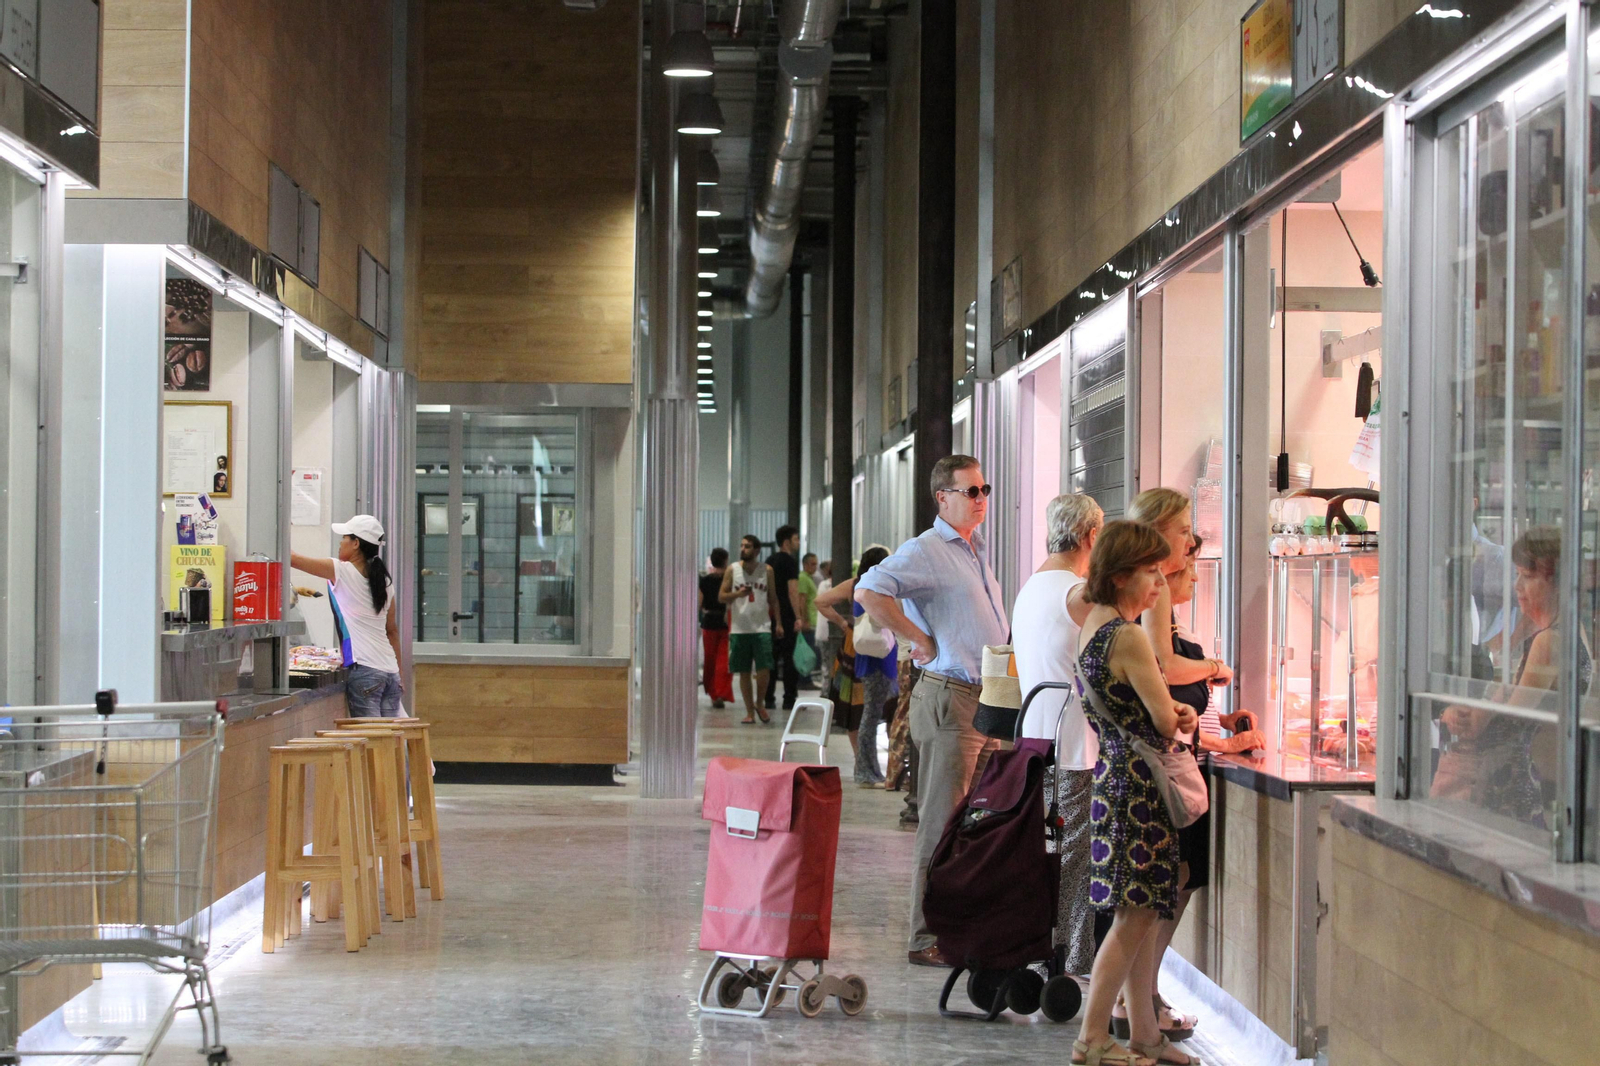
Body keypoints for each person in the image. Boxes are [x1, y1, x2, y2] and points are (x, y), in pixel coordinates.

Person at [855, 454, 1009, 967]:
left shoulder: (973, 550)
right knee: (942, 822)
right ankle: (924, 936)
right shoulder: (927, 549)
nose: (981, 498)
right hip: (951, 699)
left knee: (976, 823)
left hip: (987, 699)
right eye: (970, 491)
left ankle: (961, 922)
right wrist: (917, 637)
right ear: (942, 497)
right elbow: (869, 590)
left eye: (985, 488)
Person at [1072, 521, 1200, 1066]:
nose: (1158, 581)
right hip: (1142, 790)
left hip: (1116, 777)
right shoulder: (1128, 636)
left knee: (1142, 913)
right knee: (1132, 920)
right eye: (1151, 570)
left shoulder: (1094, 623)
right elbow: (1164, 719)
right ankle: (1094, 1036)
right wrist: (1186, 714)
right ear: (1122, 575)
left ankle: (1145, 1034)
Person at [1434, 527, 1592, 826]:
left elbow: (1506, 721)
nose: (1518, 586)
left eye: (1527, 576)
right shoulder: (1561, 632)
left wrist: (1453, 713)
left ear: (1556, 581)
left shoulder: (1550, 641)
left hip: (1516, 791)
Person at [1011, 493, 1103, 977]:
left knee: (1051, 850)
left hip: (1035, 739)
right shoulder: (1076, 592)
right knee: (1074, 856)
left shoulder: (1032, 587)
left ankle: (1047, 949)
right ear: (1091, 536)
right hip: (1072, 744)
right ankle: (1072, 959)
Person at [290, 514, 405, 718]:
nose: (340, 542)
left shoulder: (341, 570)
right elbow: (392, 631)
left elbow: (291, 558)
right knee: (390, 741)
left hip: (366, 670)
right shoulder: (385, 582)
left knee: (372, 742)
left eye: (344, 537)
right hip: (390, 671)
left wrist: (281, 526)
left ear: (356, 543)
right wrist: (400, 676)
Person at [817, 546, 897, 787]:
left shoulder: (856, 584)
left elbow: (820, 601)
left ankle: (871, 770)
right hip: (881, 652)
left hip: (862, 650)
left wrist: (844, 623)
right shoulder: (880, 586)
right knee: (870, 715)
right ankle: (865, 771)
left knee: (867, 714)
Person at [719, 534, 781, 724]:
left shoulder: (767, 570)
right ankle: (749, 712)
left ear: (756, 550)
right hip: (740, 627)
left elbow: (773, 598)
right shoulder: (733, 570)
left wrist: (778, 623)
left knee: (764, 668)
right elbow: (722, 596)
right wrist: (737, 594)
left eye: (747, 546)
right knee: (743, 670)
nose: (743, 549)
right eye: (742, 546)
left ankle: (759, 702)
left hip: (762, 625)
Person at [765, 526, 805, 712]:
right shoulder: (789, 561)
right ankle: (789, 699)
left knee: (771, 659)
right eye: (797, 539)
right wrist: (798, 617)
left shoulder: (769, 560)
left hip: (771, 614)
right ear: (787, 542)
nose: (799, 543)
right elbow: (792, 590)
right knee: (790, 659)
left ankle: (768, 698)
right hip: (787, 616)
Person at [699, 548, 734, 708]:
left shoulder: (704, 581)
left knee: (710, 660)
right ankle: (721, 691)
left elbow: (699, 604)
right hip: (726, 622)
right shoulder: (730, 580)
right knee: (724, 660)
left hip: (708, 622)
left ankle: (713, 693)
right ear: (726, 561)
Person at [797, 552, 820, 688]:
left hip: (812, 620)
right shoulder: (803, 578)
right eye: (812, 564)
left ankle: (806, 679)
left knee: (809, 651)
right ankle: (804, 680)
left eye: (816, 564)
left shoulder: (809, 579)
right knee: (807, 653)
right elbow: (802, 601)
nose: (815, 567)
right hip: (808, 622)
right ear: (805, 565)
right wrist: (804, 620)